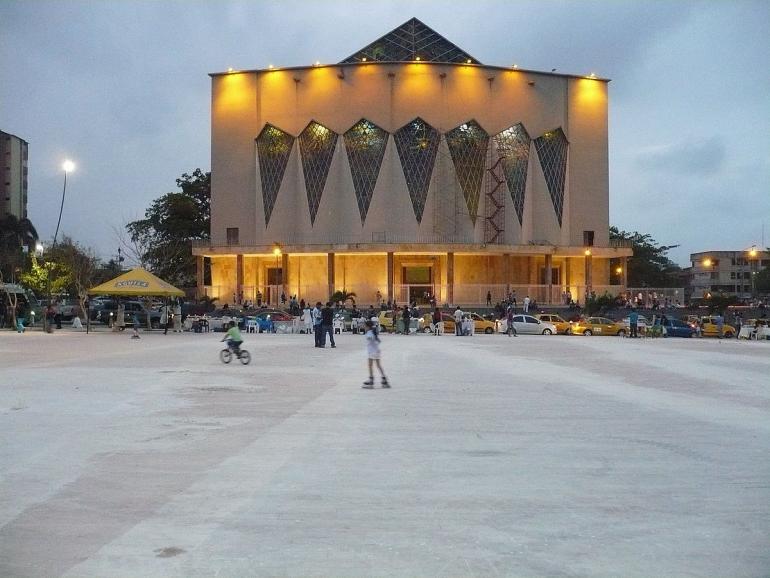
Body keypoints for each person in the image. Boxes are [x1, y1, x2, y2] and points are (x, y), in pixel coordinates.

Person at [362, 319, 389, 389]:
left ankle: (371, 380)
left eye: (365, 326)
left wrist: (370, 339)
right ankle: (384, 378)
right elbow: (377, 341)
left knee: (370, 365)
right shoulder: (373, 332)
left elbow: (371, 339)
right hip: (377, 351)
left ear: (368, 327)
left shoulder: (369, 333)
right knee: (378, 365)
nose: (364, 327)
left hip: (372, 352)